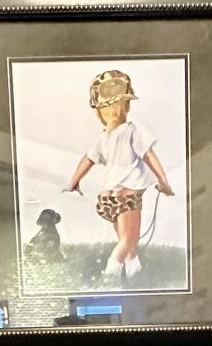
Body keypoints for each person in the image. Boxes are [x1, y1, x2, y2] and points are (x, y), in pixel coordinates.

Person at [66, 69, 175, 279]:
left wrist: (74, 182)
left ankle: (136, 275)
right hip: (127, 197)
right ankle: (109, 276)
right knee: (128, 241)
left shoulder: (102, 138)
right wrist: (164, 181)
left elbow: (86, 160)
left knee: (126, 242)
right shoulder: (134, 130)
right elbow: (149, 156)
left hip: (107, 198)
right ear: (125, 105)